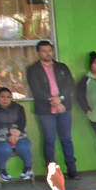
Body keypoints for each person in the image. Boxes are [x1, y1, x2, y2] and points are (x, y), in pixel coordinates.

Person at [26, 40, 77, 178]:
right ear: (38, 53)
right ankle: (52, 173)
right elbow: (37, 90)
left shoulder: (62, 67)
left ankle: (72, 169)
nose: (47, 53)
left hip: (64, 107)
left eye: (49, 50)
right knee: (49, 139)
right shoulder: (33, 70)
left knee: (66, 138)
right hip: (45, 109)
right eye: (44, 51)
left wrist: (60, 99)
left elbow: (70, 85)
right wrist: (55, 101)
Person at [0, 86, 33, 181]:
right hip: (1, 137)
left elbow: (22, 123)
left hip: (18, 136)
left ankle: (28, 169)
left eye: (8, 97)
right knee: (5, 149)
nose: (5, 99)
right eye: (2, 97)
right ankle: (2, 171)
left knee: (24, 146)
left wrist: (16, 134)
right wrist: (9, 132)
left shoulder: (18, 108)